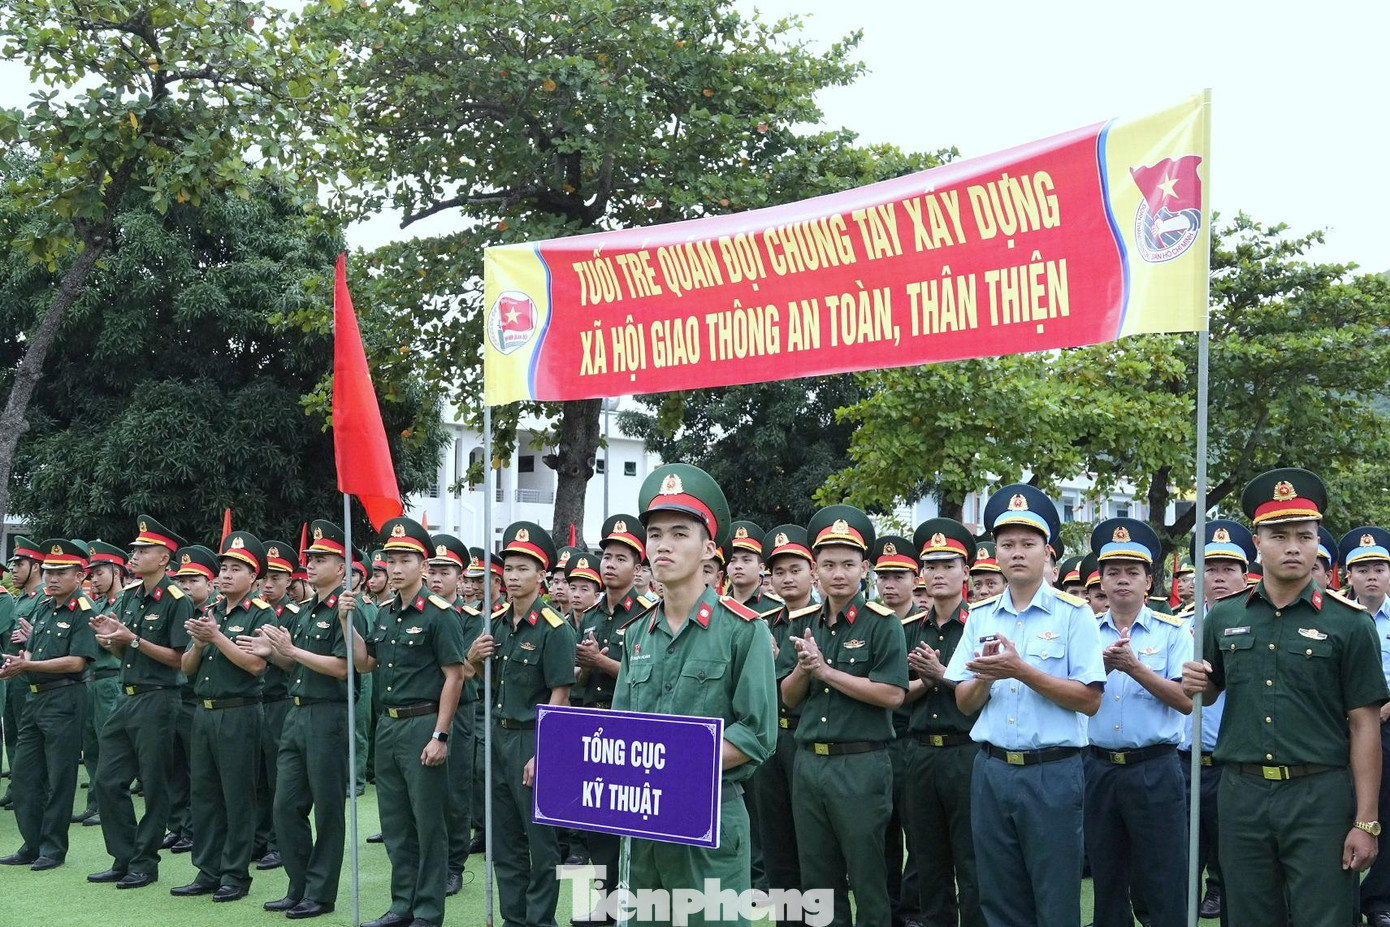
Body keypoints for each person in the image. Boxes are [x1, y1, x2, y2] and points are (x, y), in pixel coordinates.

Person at [1181, 468, 1388, 926]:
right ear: (1257, 542)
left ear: (1318, 544)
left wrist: (1366, 820)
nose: (1292, 546)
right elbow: (1208, 694)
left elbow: (1364, 724)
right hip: (1243, 793)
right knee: (1250, 914)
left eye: (1304, 535)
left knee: (1324, 915)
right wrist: (1196, 681)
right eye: (1278, 535)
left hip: (1320, 795)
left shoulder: (1350, 623)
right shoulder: (1224, 618)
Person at [614, 464, 777, 927]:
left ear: (709, 548)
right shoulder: (635, 634)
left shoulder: (743, 630)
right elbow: (621, 729)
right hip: (643, 820)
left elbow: (758, 734)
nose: (663, 544)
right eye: (656, 533)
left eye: (680, 533)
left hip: (710, 817)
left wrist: (677, 761)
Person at [943, 485, 1105, 927]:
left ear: (1048, 553)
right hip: (992, 770)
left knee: (1054, 896)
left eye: (1028, 544)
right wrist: (985, 677)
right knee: (999, 895)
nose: (1017, 553)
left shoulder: (1074, 615)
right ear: (994, 552)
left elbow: (1090, 700)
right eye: (1007, 544)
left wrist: (1021, 671)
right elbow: (963, 700)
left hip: (1051, 772)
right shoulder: (979, 617)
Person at [781, 504, 907, 927]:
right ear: (815, 569)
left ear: (864, 568)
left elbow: (891, 693)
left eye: (849, 564)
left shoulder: (881, 624)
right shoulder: (801, 623)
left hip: (861, 764)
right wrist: (803, 668)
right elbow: (788, 696)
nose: (839, 573)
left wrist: (826, 671)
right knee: (818, 879)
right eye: (829, 564)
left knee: (868, 875)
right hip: (809, 762)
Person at [241, 519, 369, 920]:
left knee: (329, 810)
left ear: (342, 566)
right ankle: (299, 884)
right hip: (296, 715)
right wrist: (272, 650)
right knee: (285, 806)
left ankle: (321, 892)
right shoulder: (304, 611)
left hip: (329, 715)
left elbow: (345, 667)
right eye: (310, 557)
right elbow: (288, 660)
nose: (311, 564)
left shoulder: (348, 611)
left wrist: (291, 652)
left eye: (321, 558)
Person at [345, 516, 467, 927]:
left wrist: (441, 733)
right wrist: (347, 622)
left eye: (405, 560)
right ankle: (402, 905)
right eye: (390, 559)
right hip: (388, 726)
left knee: (428, 824)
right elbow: (364, 664)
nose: (395, 568)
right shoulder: (382, 613)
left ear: (423, 565)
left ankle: (429, 911)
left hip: (422, 724)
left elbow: (455, 675)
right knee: (395, 824)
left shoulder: (439, 614)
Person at [1083, 519, 1192, 927]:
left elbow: (1185, 701)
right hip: (1097, 766)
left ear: (1149, 580)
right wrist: (1102, 668)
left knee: (1163, 876)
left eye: (1132, 573)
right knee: (1107, 876)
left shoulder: (1173, 632)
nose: (1122, 581)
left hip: (1155, 766)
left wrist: (1133, 667)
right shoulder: (1085, 631)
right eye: (1113, 573)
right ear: (1102, 580)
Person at [468, 521, 576, 927]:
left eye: (522, 569)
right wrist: (475, 659)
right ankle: (514, 918)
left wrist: (544, 752)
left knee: (540, 843)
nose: (512, 577)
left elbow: (560, 695)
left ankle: (540, 920)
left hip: (533, 741)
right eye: (508, 569)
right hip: (496, 737)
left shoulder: (553, 628)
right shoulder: (494, 624)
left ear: (541, 574)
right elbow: (478, 678)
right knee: (503, 840)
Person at [87, 515, 196, 889]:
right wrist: (113, 641)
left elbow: (180, 659)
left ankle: (145, 864)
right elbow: (125, 652)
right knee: (106, 780)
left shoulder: (176, 600)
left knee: (154, 783)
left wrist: (131, 639)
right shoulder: (131, 596)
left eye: (143, 550)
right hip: (126, 697)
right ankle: (125, 854)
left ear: (165, 558)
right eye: (134, 549)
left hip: (159, 699)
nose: (134, 555)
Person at [170, 531, 273, 902]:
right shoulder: (208, 613)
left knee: (237, 795)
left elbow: (255, 665)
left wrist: (216, 638)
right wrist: (199, 642)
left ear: (254, 578)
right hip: (204, 712)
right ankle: (207, 869)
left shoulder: (261, 613)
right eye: (224, 567)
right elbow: (186, 666)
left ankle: (235, 874)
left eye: (236, 568)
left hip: (240, 713)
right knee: (205, 794)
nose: (226, 574)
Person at [570, 514, 658, 920]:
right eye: (606, 556)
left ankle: (626, 906)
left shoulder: (647, 614)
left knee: (628, 824)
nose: (610, 564)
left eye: (621, 558)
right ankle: (601, 906)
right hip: (590, 725)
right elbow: (579, 676)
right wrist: (585, 665)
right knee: (593, 824)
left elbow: (648, 678)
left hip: (628, 729)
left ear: (638, 568)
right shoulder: (588, 615)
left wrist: (600, 661)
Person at [0, 539, 98, 870]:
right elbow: (32, 652)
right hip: (35, 697)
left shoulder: (84, 611)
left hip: (66, 697)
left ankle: (53, 849)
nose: (52, 578)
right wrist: (16, 662)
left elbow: (76, 663)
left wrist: (27, 666)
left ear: (79, 576)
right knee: (26, 776)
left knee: (60, 778)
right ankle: (32, 843)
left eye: (61, 572)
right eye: (49, 571)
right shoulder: (43, 607)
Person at [903, 518, 982, 927]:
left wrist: (942, 676)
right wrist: (926, 678)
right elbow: (897, 693)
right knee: (927, 859)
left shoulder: (981, 624)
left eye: (947, 565)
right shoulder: (909, 628)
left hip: (966, 752)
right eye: (930, 566)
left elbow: (986, 692)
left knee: (971, 861)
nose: (937, 574)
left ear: (965, 571)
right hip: (919, 753)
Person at [1177, 519, 1254, 925]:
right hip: (1183, 757)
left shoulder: (1255, 622)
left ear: (1245, 574)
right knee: (1185, 848)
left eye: (1229, 569)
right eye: (1211, 568)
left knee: (1233, 852)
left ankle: (1221, 892)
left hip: (1230, 759)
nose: (1220, 577)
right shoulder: (1178, 624)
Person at [752, 524, 818, 908]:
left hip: (805, 739)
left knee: (810, 842)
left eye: (795, 569)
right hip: (769, 740)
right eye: (779, 571)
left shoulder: (825, 622)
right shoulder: (764, 625)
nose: (787, 578)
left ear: (812, 571)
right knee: (774, 840)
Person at [423, 532, 484, 899]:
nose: (436, 577)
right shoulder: (420, 612)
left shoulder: (470, 618)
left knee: (455, 790)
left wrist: (465, 662)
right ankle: (427, 862)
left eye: (446, 571)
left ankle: (453, 867)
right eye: (433, 569)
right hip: (423, 710)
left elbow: (468, 670)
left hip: (459, 711)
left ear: (460, 578)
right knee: (425, 792)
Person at [869, 533, 922, 927]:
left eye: (898, 575)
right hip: (875, 741)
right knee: (881, 833)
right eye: (883, 575)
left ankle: (913, 910)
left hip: (913, 739)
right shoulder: (871, 622)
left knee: (918, 833)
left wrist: (901, 692)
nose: (890, 584)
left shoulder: (924, 624)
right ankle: (886, 906)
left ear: (914, 578)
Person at [1341, 526, 1390, 926]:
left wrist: (1382, 709)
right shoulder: (1339, 617)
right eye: (1363, 570)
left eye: (1379, 568)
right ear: (1349, 576)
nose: (1371, 576)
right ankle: (1340, 895)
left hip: (1388, 727)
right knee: (1343, 813)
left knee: (1384, 814)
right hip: (1342, 729)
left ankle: (1377, 901)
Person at [167, 544, 219, 855]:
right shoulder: (181, 610)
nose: (186, 586)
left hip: (200, 700)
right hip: (179, 697)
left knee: (196, 773)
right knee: (175, 768)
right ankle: (178, 826)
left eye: (194, 580)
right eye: (181, 580)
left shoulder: (215, 613)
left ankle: (194, 829)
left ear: (210, 584)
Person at [253, 538, 301, 871]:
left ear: (290, 580)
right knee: (254, 776)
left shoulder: (294, 616)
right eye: (265, 578)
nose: (269, 585)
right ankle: (257, 838)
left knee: (276, 778)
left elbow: (292, 662)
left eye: (277, 578)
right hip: (252, 703)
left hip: (280, 701)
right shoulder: (253, 612)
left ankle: (276, 843)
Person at [74, 540, 129, 828]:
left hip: (112, 680)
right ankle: (94, 803)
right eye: (91, 574)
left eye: (99, 573)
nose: (93, 579)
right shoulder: (97, 605)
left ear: (116, 571)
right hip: (91, 680)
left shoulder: (126, 602)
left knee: (110, 746)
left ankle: (107, 806)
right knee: (92, 746)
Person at [0, 537, 45, 811]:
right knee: (13, 734)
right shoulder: (20, 599)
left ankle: (30, 788)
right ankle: (18, 785)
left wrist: (33, 637)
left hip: (31, 676)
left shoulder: (44, 598)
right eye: (14, 564)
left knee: (31, 737)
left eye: (20, 564)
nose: (14, 570)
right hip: (13, 675)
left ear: (36, 567)